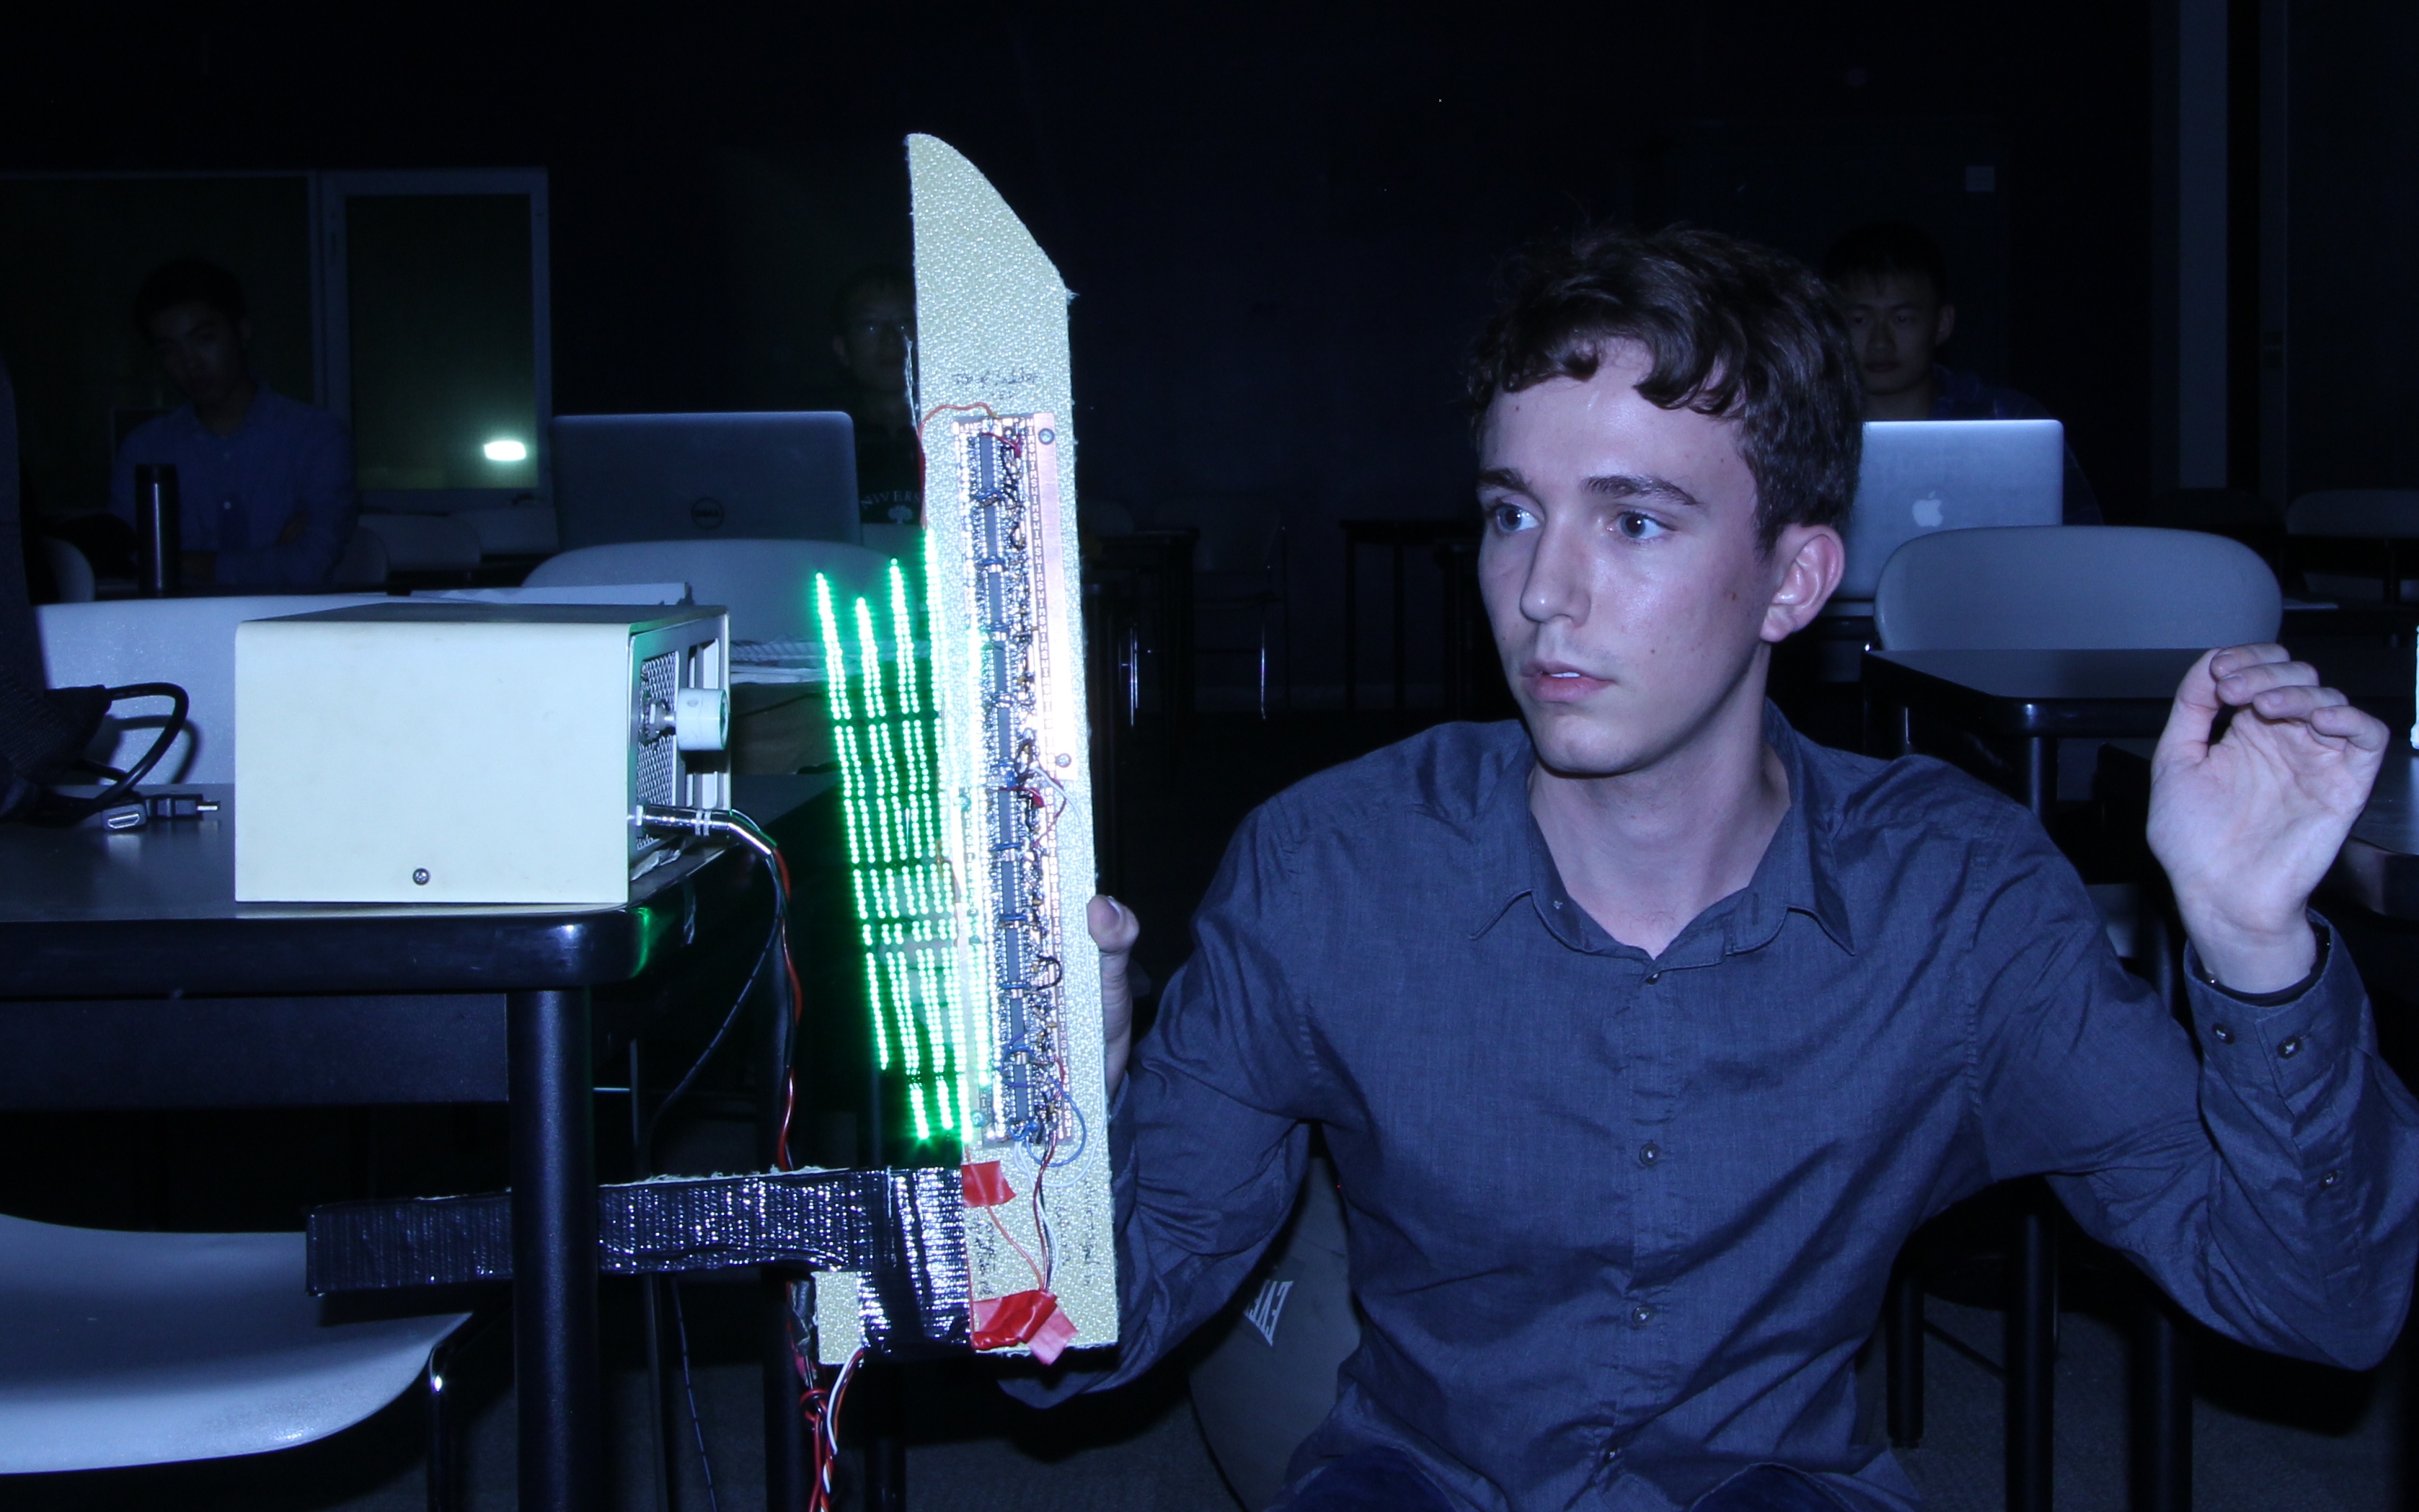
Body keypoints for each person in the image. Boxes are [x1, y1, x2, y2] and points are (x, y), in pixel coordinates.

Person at [1051, 226, 2415, 1512]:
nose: (1542, 592)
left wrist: (2254, 947)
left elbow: (2316, 1304)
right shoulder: (1329, 871)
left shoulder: (1953, 900)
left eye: (1634, 522)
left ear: (1793, 581)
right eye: (1513, 514)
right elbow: (1081, 1341)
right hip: (1425, 1478)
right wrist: (1050, 1115)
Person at [1821, 221, 2100, 523]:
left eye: (1902, 319)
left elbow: (2082, 537)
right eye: (1859, 320)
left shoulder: (2008, 420)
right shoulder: (1811, 427)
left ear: (1942, 324)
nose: (1880, 343)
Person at [109, 259, 355, 586]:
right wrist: (267, 561)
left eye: (204, 339)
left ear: (242, 332)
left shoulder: (315, 437)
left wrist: (172, 559)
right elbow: (126, 562)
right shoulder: (146, 449)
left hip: (286, 620)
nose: (189, 363)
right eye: (169, 350)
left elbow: (306, 567)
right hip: (181, 620)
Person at [829, 265, 921, 544]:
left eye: (905, 323)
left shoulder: (961, 433)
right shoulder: (824, 448)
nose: (891, 339)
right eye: (870, 326)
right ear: (843, 348)